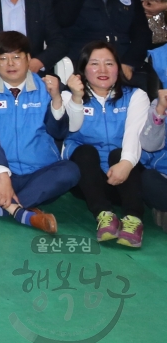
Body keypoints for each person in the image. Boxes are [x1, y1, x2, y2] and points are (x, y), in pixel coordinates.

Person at [0, 30, 77, 234]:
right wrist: (4, 178)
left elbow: (58, 132)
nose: (10, 64)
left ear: (28, 58)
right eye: (2, 59)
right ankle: (20, 211)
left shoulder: (46, 86)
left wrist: (57, 98)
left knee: (71, 170)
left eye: (16, 57)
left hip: (39, 175)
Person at [61, 40, 156, 247]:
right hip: (88, 182)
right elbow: (73, 128)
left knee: (119, 153)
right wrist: (77, 98)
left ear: (118, 68)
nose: (102, 70)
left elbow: (133, 134)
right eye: (94, 63)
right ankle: (104, 215)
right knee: (84, 151)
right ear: (83, 69)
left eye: (109, 63)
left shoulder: (136, 96)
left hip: (125, 178)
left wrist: (126, 164)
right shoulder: (68, 95)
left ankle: (133, 219)